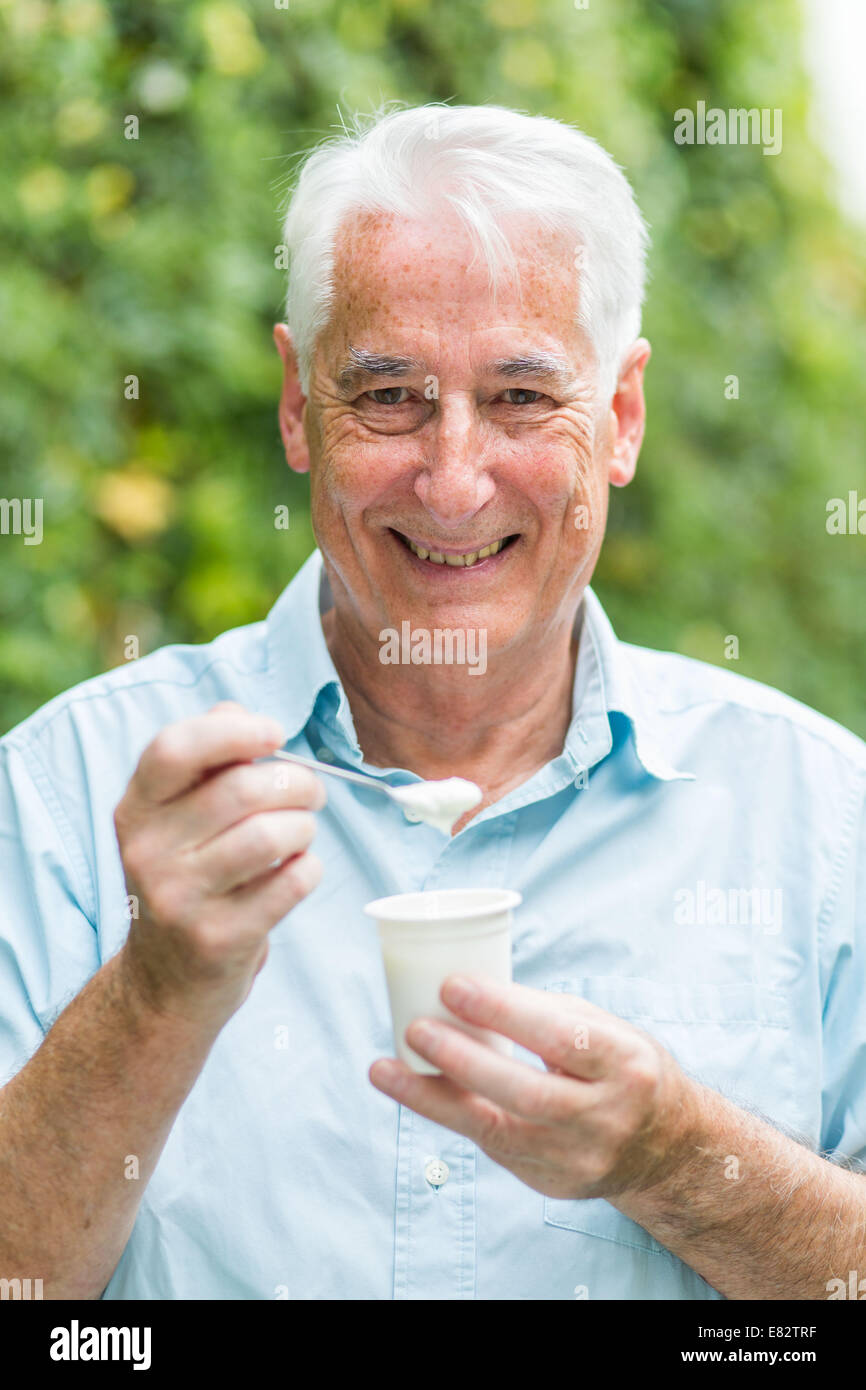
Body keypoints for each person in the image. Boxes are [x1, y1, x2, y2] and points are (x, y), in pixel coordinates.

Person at [0, 104, 863, 1302]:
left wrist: (675, 1156)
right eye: (390, 396)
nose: (453, 483)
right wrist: (153, 988)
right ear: (299, 408)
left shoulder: (822, 818)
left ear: (618, 416)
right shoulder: (57, 797)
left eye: (519, 397)